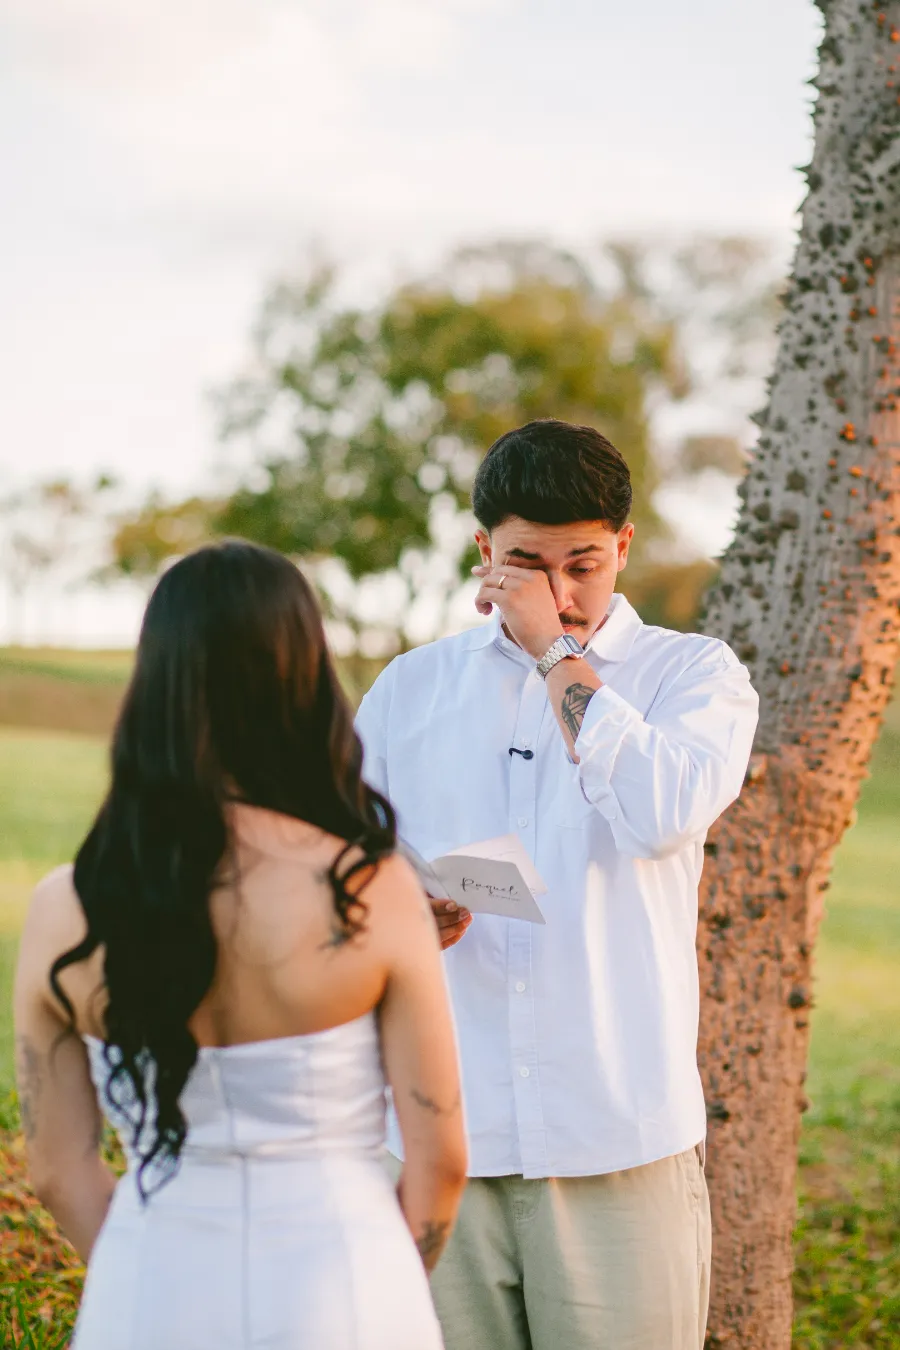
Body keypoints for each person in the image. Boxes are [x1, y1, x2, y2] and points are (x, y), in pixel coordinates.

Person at [355, 419, 760, 1350]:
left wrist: (552, 657)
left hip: (617, 1136)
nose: (558, 594)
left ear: (622, 544)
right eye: (525, 565)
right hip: (440, 1136)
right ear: (481, 551)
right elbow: (345, 875)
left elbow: (661, 812)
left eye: (582, 563)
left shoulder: (694, 675)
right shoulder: (409, 691)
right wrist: (400, 911)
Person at [13, 540, 466, 1350]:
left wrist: (138, 1268)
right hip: (346, 1290)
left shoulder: (63, 908)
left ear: (155, 682)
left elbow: (56, 1169)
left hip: (148, 1292)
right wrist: (384, 1284)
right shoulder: (370, 889)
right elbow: (441, 1160)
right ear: (303, 680)